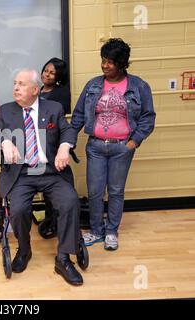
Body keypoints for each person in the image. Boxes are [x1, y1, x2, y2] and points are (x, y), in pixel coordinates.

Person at [0, 69, 84, 286]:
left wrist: (64, 147)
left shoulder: (53, 108)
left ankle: (63, 258)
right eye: (15, 83)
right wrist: (5, 142)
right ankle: (24, 250)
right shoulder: (6, 111)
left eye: (22, 84)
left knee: (70, 202)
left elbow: (67, 131)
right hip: (22, 173)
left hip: (51, 171)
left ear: (35, 89)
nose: (16, 88)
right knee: (18, 210)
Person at [71, 38, 156, 251]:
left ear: (121, 63)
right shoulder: (93, 85)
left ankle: (111, 231)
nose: (104, 65)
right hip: (96, 146)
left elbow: (148, 116)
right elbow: (79, 115)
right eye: (103, 60)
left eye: (110, 62)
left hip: (121, 148)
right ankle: (96, 231)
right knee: (95, 191)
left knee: (116, 190)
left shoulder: (138, 86)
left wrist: (134, 141)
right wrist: (68, 140)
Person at [39, 58, 71, 224]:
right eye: (46, 70)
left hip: (53, 143)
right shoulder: (36, 90)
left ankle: (57, 219)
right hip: (36, 143)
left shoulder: (61, 92)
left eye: (52, 73)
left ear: (58, 76)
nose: (47, 75)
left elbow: (58, 119)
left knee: (54, 182)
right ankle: (49, 217)